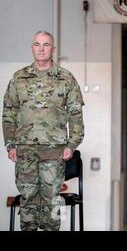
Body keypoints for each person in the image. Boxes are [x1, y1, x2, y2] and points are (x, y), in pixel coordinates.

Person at [2, 30, 85, 231]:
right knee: (28, 198)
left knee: (52, 199)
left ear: (52, 49)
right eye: (37, 44)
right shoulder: (19, 78)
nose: (41, 48)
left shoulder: (65, 78)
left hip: (54, 149)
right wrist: (10, 144)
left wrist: (72, 144)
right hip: (25, 149)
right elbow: (8, 112)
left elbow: (75, 114)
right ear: (32, 48)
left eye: (45, 44)